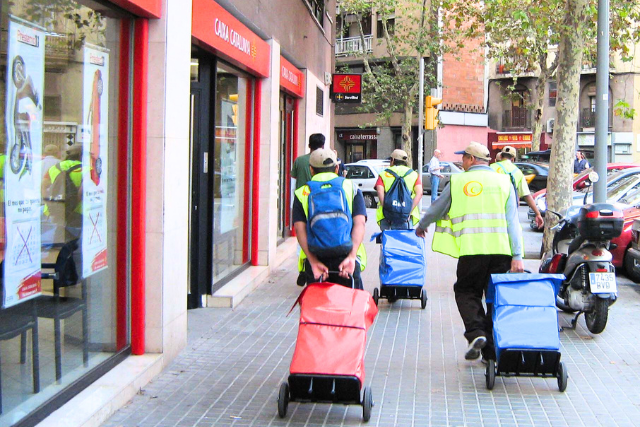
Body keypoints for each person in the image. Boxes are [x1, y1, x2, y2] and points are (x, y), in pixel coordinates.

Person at [415, 142, 524, 362]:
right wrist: (517, 255)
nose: (461, 162)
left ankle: (476, 333)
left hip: (472, 252)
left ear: (471, 159)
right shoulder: (504, 182)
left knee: (466, 292)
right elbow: (513, 221)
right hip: (502, 253)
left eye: (463, 158)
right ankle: (491, 353)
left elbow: (437, 208)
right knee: (495, 300)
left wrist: (421, 225)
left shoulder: (458, 182)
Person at [293, 148, 367, 289]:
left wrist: (313, 261)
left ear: (311, 170)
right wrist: (351, 257)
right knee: (352, 307)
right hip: (346, 258)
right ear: (337, 168)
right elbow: (360, 223)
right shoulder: (351, 187)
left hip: (317, 259)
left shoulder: (302, 192)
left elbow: (299, 229)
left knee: (317, 308)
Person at [490, 146, 543, 229]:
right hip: (508, 209)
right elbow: (527, 195)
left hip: (491, 207)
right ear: (513, 159)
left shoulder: (491, 168)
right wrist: (538, 214)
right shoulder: (517, 172)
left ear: (500, 156)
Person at [375, 149, 423, 230]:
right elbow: (419, 193)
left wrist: (388, 211)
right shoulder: (414, 174)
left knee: (387, 240)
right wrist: (408, 212)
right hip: (406, 217)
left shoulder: (383, 174)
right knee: (404, 240)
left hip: (387, 218)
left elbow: (380, 192)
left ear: (393, 160)